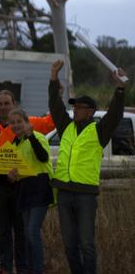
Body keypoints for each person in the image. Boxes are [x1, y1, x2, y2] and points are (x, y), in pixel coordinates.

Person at [49, 60, 125, 274]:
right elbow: (55, 106)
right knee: (69, 245)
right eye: (73, 106)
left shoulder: (99, 131)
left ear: (91, 112)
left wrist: (119, 89)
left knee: (86, 244)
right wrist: (53, 78)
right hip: (63, 192)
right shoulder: (66, 127)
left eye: (80, 107)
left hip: (85, 196)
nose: (74, 110)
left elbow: (115, 115)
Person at [0, 89, 55, 274]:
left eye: (7, 103)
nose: (3, 107)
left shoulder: (34, 133)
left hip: (35, 189)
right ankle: (9, 266)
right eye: (0, 103)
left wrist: (55, 90)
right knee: (6, 231)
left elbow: (43, 157)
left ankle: (28, 267)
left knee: (27, 231)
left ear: (14, 104)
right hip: (7, 187)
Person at [7, 109, 52, 274]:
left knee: (33, 231)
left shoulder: (38, 137)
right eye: (12, 123)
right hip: (23, 190)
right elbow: (13, 175)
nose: (16, 125)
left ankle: (38, 269)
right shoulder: (13, 145)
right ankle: (30, 268)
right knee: (27, 233)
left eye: (19, 121)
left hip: (39, 187)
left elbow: (43, 158)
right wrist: (11, 177)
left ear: (27, 122)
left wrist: (31, 135)